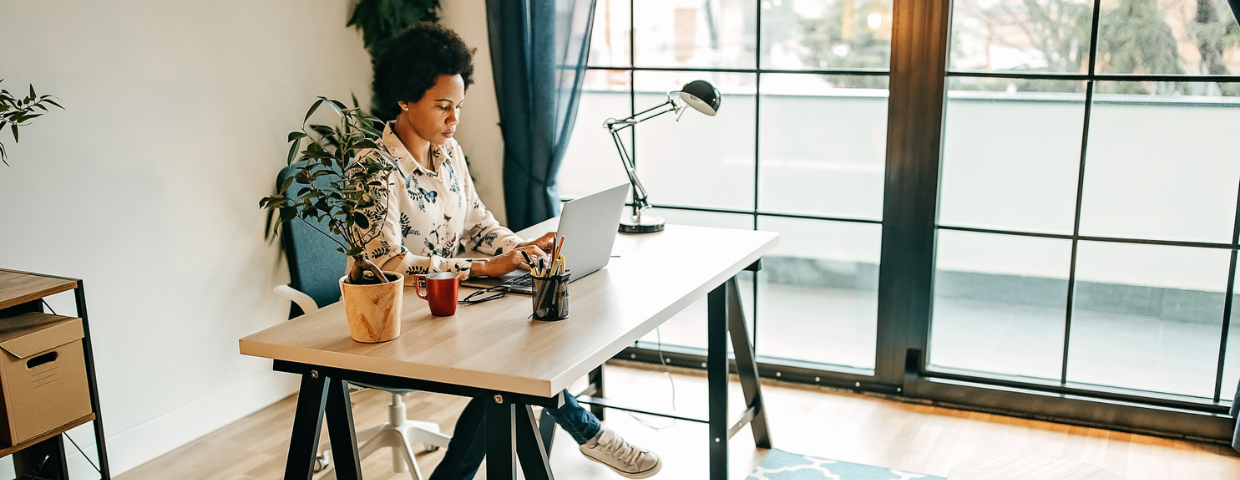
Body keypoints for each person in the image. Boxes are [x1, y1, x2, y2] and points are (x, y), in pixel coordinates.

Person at [358, 23, 663, 480]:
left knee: (520, 364)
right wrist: (483, 267)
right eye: (443, 107)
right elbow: (388, 264)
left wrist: (519, 248)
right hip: (398, 318)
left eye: (458, 106)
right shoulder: (373, 168)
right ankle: (591, 435)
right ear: (404, 98)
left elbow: (478, 222)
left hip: (450, 308)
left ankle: (585, 437)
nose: (453, 119)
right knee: (510, 378)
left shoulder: (449, 153)